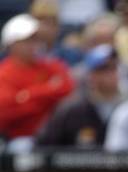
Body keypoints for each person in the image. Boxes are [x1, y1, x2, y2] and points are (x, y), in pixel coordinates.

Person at [0, 14, 74, 143]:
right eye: (27, 40)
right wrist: (49, 93)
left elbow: (67, 88)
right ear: (11, 44)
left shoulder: (51, 66)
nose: (33, 45)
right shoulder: (5, 73)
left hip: (56, 137)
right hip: (18, 137)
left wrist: (28, 94)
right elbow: (5, 113)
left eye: (36, 40)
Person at [37, 45, 126, 147]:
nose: (111, 74)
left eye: (114, 68)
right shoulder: (72, 109)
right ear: (91, 74)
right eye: (104, 69)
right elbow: (45, 144)